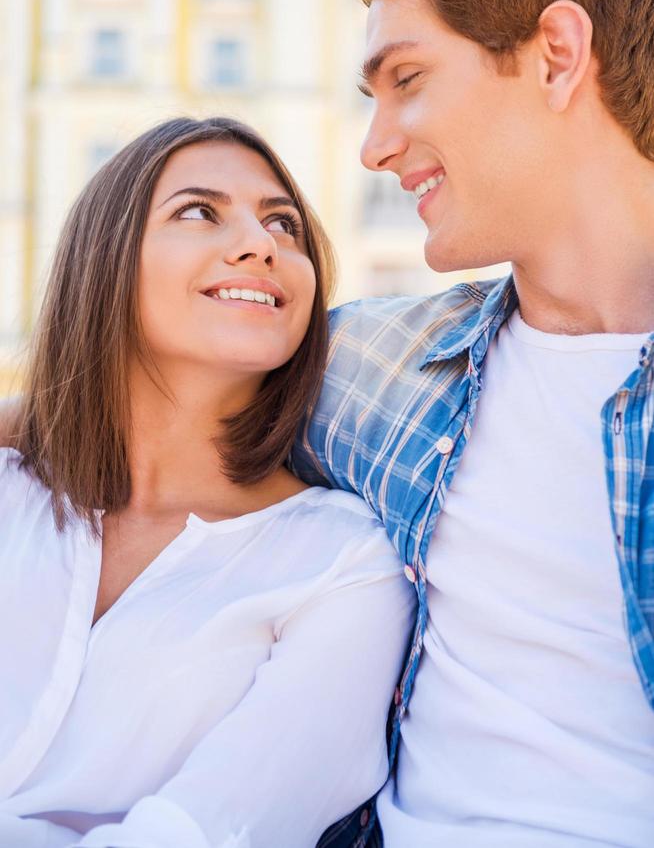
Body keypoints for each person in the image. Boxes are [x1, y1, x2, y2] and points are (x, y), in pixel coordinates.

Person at [293, 0, 654, 847]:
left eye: (406, 80)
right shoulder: (368, 367)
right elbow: (118, 406)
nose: (374, 147)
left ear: (556, 57)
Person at [0, 116, 415, 848]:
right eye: (199, 211)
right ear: (105, 259)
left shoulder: (344, 565)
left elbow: (210, 830)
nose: (263, 244)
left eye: (284, 224)